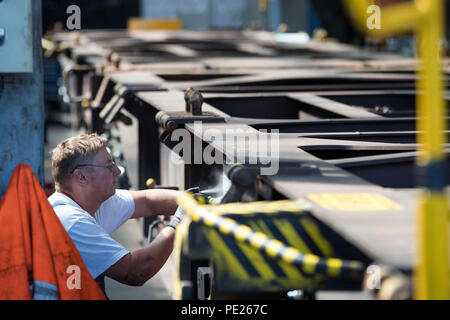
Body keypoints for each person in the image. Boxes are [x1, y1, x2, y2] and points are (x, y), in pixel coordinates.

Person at [47, 133, 185, 297]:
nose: (117, 171)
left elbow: (147, 200)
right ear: (81, 176)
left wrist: (191, 202)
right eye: (109, 166)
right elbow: (135, 271)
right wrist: (177, 223)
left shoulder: (93, 201)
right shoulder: (70, 221)